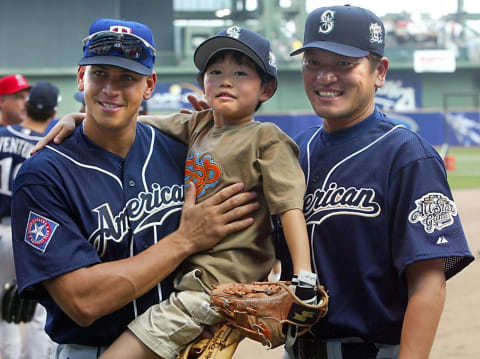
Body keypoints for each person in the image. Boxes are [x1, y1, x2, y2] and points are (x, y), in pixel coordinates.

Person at [33, 26, 316, 359]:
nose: (226, 80)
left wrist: (303, 278)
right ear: (201, 83)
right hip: (186, 280)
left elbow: (289, 208)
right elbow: (135, 121)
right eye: (215, 72)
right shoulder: (198, 125)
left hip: (217, 284)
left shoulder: (267, 137)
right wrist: (79, 116)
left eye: (241, 73)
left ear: (266, 88)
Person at [273, 5, 474, 359]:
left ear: (379, 72)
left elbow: (428, 284)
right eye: (313, 62)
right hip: (297, 350)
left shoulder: (407, 155)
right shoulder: (294, 152)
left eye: (343, 64)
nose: (325, 77)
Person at [0, 81, 60, 359]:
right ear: (53, 111)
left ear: (28, 105)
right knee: (36, 310)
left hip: (1, 228)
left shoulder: (1, 135)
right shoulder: (50, 144)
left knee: (3, 311)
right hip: (31, 233)